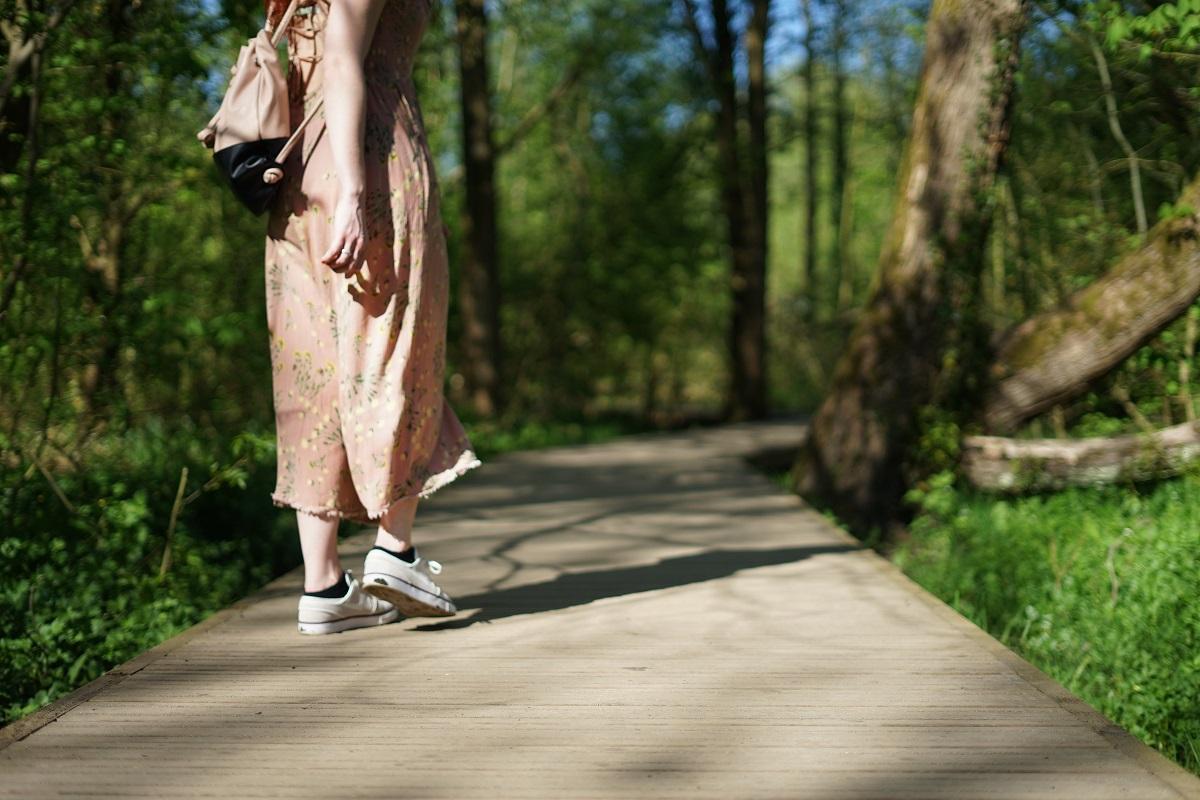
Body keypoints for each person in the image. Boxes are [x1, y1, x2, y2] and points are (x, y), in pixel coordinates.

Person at [263, 0, 482, 635]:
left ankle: (325, 586)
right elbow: (342, 54)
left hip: (297, 172)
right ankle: (395, 549)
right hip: (371, 155)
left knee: (313, 368)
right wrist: (356, 192)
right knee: (396, 348)